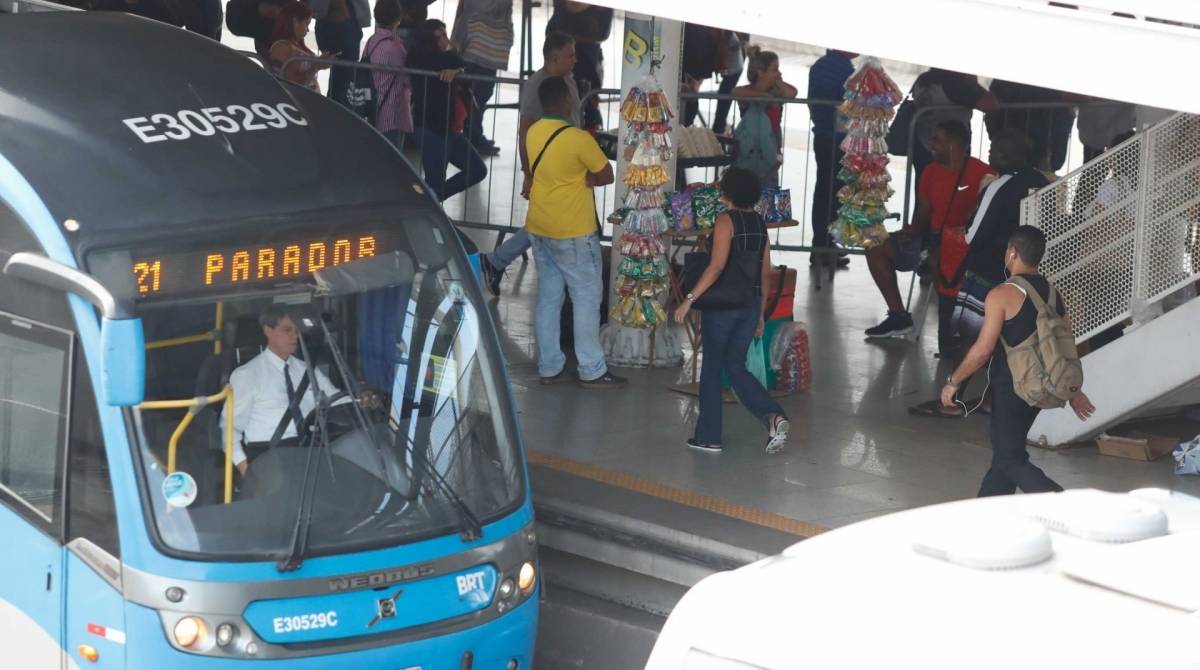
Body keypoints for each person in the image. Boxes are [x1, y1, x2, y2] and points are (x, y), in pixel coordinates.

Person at [940, 226, 1095, 496]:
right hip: (1040, 388)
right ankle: (988, 515)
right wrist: (1073, 391)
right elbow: (1064, 345)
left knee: (1009, 459)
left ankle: (1061, 501)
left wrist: (954, 382)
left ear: (1012, 252)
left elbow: (982, 350)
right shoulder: (1052, 293)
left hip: (1012, 389)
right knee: (1004, 457)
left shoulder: (1001, 294)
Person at [673, 167, 790, 454]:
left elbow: (716, 267)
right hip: (749, 306)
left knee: (713, 367)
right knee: (735, 365)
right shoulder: (760, 224)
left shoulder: (726, 221)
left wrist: (689, 298)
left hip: (723, 306)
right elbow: (765, 273)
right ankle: (772, 415)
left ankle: (709, 436)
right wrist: (760, 313)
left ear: (728, 192)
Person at [525, 77, 624, 389]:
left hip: (539, 225)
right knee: (585, 296)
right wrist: (588, 179)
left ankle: (549, 367)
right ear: (568, 102)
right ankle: (591, 368)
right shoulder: (578, 138)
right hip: (573, 230)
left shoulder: (532, 132)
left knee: (549, 297)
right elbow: (606, 174)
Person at [865, 121, 995, 348]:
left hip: (962, 247)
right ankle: (898, 316)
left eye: (937, 140)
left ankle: (955, 335)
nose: (931, 145)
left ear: (954, 144)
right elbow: (924, 211)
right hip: (931, 241)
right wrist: (913, 230)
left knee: (941, 262)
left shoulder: (983, 173)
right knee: (875, 247)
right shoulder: (930, 171)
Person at [480, 32, 581, 295]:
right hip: (549, 167)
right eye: (570, 55)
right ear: (555, 58)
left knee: (542, 223)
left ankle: (496, 260)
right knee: (542, 223)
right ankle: (496, 260)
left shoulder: (567, 80)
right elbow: (524, 130)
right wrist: (528, 173)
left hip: (569, 165)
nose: (575, 60)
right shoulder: (539, 86)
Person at [224, 305, 346, 477]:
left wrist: (360, 401)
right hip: (268, 460)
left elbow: (338, 401)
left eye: (296, 331)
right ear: (268, 330)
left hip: (311, 454)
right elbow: (229, 429)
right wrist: (248, 473)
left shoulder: (308, 370)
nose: (295, 336)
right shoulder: (247, 375)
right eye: (287, 330)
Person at [407, 19, 489, 202]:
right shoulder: (429, 60)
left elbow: (465, 68)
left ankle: (431, 203)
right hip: (431, 129)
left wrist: (458, 70)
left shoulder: (444, 60)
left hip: (450, 129)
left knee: (476, 169)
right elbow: (460, 63)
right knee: (435, 180)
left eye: (445, 34)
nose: (445, 40)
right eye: (440, 36)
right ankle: (430, 207)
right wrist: (458, 67)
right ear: (429, 41)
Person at [807, 49, 857, 268]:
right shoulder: (845, 69)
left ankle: (822, 244)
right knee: (833, 194)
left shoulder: (820, 65)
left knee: (824, 191)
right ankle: (824, 246)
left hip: (823, 135)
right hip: (837, 138)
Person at [906, 69, 997, 187]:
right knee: (949, 191)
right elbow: (991, 104)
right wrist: (973, 83)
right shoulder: (954, 83)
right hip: (951, 148)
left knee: (924, 188)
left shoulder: (923, 79)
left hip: (923, 142)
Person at [451, 0, 514, 157]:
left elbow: (465, 12)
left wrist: (456, 42)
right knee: (476, 98)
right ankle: (473, 139)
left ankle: (473, 137)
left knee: (472, 98)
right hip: (485, 49)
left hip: (476, 47)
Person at [732, 49, 798, 185]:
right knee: (746, 187)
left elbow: (792, 92)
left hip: (771, 146)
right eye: (775, 69)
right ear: (761, 72)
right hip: (749, 150)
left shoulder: (777, 93)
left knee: (769, 185)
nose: (779, 73)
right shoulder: (748, 91)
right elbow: (735, 92)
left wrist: (778, 82)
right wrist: (765, 95)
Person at [546, 0, 611, 131]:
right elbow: (570, 6)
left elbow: (603, 32)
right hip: (565, 52)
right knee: (562, 96)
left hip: (589, 58)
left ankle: (591, 129)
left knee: (588, 99)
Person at [364, 0, 413, 149]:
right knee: (393, 162)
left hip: (372, 108)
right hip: (391, 114)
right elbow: (407, 79)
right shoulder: (395, 47)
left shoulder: (372, 41)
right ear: (398, 18)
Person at [310, 0, 369, 109]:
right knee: (344, 79)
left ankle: (335, 109)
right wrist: (345, 14)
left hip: (339, 24)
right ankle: (336, 110)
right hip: (341, 26)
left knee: (342, 78)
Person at [268, 1, 334, 92]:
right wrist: (316, 66)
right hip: (295, 101)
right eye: (306, 24)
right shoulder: (281, 47)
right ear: (295, 22)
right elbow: (293, 82)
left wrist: (321, 64)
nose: (307, 30)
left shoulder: (297, 45)